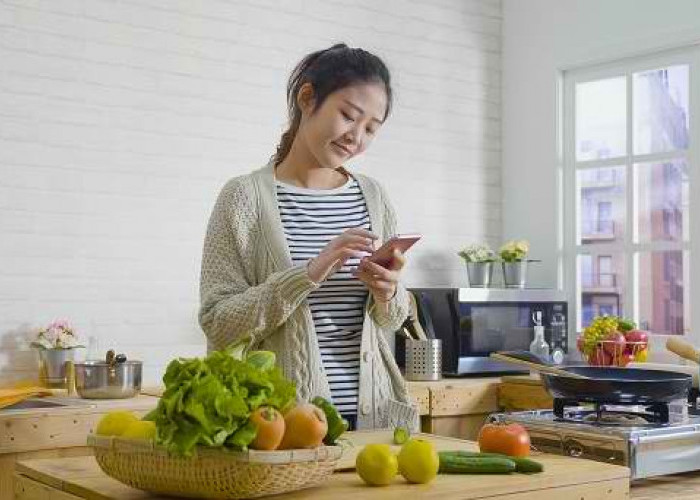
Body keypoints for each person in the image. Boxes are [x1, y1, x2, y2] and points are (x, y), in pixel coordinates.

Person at [198, 43, 416, 431]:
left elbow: (394, 318)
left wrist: (389, 291)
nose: (356, 137)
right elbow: (218, 321)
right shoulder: (243, 198)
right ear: (307, 98)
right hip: (283, 425)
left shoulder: (374, 196)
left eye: (371, 128)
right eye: (348, 116)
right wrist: (308, 274)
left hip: (376, 418)